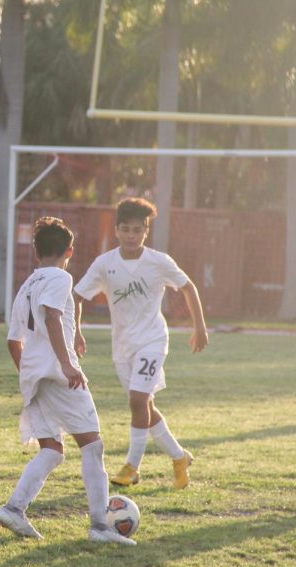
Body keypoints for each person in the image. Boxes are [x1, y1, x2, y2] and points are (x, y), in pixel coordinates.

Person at [0, 216, 134, 546]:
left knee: (53, 450)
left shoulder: (27, 285)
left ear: (35, 251)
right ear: (69, 250)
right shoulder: (60, 277)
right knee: (92, 445)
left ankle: (14, 508)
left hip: (34, 378)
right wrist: (67, 364)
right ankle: (100, 526)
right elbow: (53, 316)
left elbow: (13, 341)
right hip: (59, 376)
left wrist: (31, 373)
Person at [73, 197, 208, 490]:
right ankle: (179, 457)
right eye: (126, 229)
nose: (132, 236)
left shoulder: (159, 261)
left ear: (146, 231)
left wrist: (200, 327)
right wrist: (76, 332)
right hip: (122, 346)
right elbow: (78, 297)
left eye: (138, 230)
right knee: (144, 405)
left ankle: (132, 466)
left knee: (136, 400)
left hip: (153, 340)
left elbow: (188, 287)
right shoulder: (104, 264)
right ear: (117, 230)